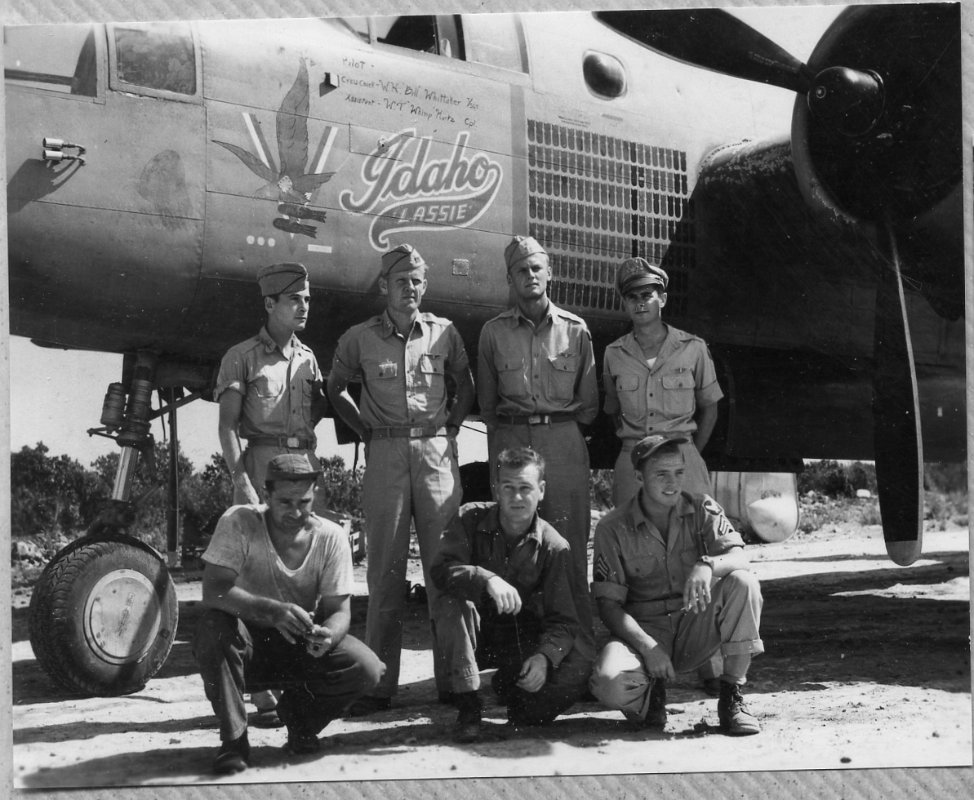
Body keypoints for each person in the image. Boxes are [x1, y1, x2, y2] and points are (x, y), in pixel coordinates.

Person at [327, 243, 475, 714]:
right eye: (400, 281)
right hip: (386, 451)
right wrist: (365, 430)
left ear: (424, 286)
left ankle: (457, 680)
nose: (408, 288)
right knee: (385, 572)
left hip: (434, 454)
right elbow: (335, 388)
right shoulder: (359, 338)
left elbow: (465, 383)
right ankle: (379, 685)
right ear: (383, 287)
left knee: (446, 569)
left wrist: (450, 426)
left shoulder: (445, 333)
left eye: (416, 281)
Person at [194, 454, 385, 774]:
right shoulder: (238, 521)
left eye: (304, 502)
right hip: (246, 643)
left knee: (368, 667)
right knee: (212, 627)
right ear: (265, 496)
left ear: (315, 496)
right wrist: (271, 611)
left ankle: (301, 722)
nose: (296, 512)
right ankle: (234, 741)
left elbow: (340, 611)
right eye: (285, 502)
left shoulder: (331, 536)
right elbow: (213, 590)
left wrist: (328, 635)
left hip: (298, 643)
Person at [214, 261, 330, 725]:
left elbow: (315, 413)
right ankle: (261, 690)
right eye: (294, 299)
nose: (304, 306)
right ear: (270, 303)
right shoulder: (241, 356)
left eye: (307, 298)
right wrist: (241, 479)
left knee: (303, 573)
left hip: (304, 467)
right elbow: (226, 428)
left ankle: (296, 677)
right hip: (261, 466)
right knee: (258, 577)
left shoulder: (309, 358)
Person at [588, 434, 763, 736]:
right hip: (645, 630)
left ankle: (732, 696)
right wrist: (648, 647)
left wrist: (706, 565)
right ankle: (649, 697)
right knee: (608, 683)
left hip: (695, 623)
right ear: (639, 477)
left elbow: (740, 558)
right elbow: (608, 606)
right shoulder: (612, 528)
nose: (673, 483)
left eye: (679, 473)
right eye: (661, 474)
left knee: (743, 583)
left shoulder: (702, 509)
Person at [477, 235, 598, 659]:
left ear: (549, 273)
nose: (529, 276)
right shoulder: (493, 333)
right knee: (516, 552)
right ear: (510, 278)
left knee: (569, 551)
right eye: (520, 270)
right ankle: (519, 655)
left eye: (536, 268)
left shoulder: (576, 330)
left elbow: (589, 405)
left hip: (562, 440)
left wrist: (554, 428)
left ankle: (580, 655)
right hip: (511, 439)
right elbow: (488, 406)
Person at [431, 447, 593, 742]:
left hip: (522, 639)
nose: (517, 497)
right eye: (508, 487)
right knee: (452, 604)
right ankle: (469, 705)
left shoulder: (554, 546)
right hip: (476, 635)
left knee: (577, 668)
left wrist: (545, 657)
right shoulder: (469, 519)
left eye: (525, 488)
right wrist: (485, 579)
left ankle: (516, 693)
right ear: (496, 489)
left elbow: (565, 620)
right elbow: (441, 571)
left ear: (541, 491)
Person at [603, 257, 722, 507]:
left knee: (691, 536)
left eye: (647, 295)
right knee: (631, 537)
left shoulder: (693, 348)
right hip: (633, 460)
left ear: (663, 300)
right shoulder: (614, 353)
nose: (640, 303)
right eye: (632, 297)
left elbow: (710, 406)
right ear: (624, 303)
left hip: (681, 459)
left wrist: (690, 451)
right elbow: (613, 409)